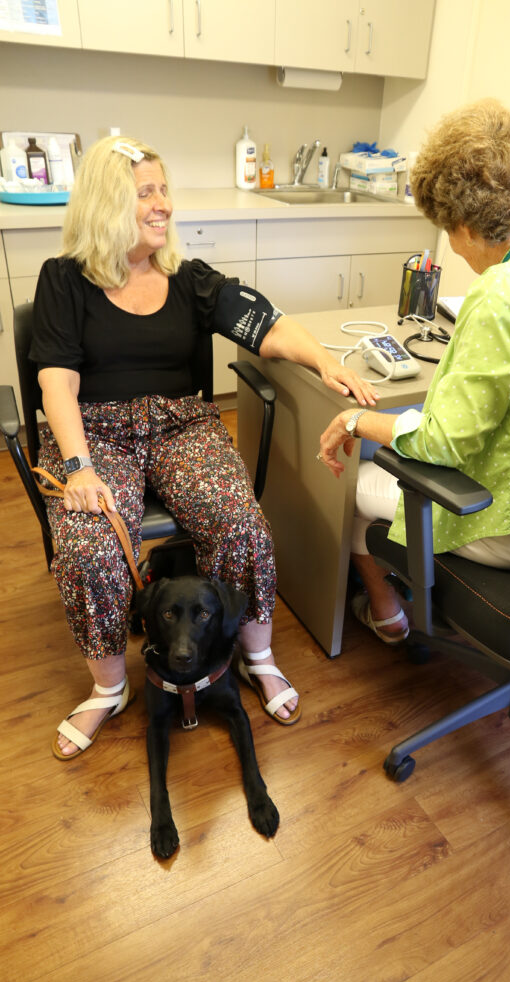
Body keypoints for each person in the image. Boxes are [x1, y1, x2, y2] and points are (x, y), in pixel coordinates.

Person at [32, 135, 379, 759]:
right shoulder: (64, 280)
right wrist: (78, 465)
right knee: (87, 547)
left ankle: (257, 655)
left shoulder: (188, 279)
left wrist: (325, 361)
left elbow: (267, 323)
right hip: (96, 431)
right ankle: (109, 689)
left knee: (241, 524)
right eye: (146, 193)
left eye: (164, 190)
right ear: (108, 204)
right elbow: (56, 376)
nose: (163, 204)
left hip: (183, 423)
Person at [318, 99, 510, 643]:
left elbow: (441, 444)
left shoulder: (501, 293)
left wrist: (356, 422)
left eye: (450, 235)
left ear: (465, 224)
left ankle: (388, 615)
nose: (454, 250)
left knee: (357, 491)